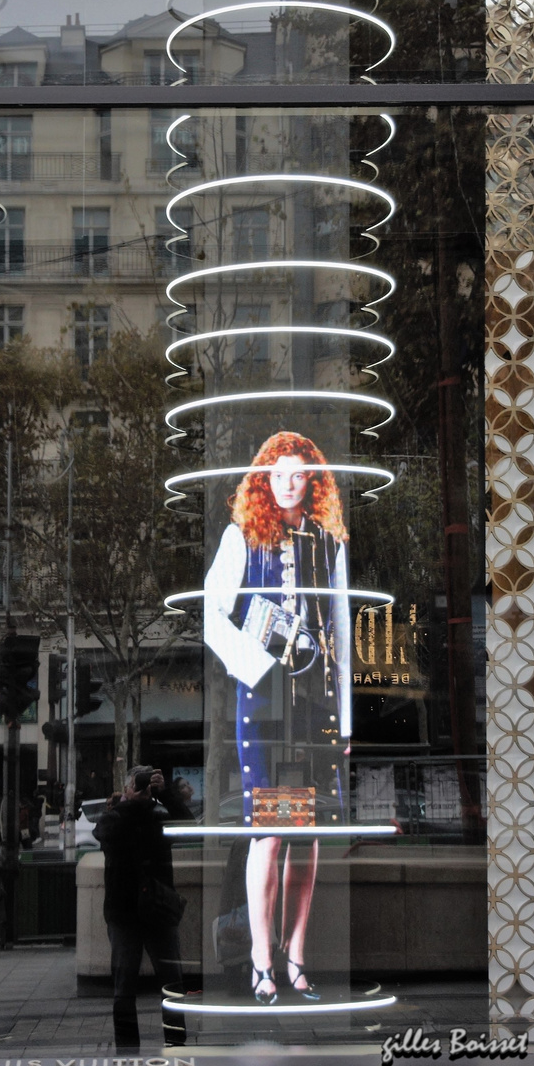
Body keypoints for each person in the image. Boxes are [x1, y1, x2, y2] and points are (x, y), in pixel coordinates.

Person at [204, 430, 350, 1005]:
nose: (289, 483)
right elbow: (213, 614)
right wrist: (253, 663)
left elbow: (339, 629)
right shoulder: (241, 535)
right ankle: (263, 963)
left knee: (305, 836)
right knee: (268, 832)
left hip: (314, 703)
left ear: (312, 478)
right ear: (263, 479)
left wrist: (346, 719)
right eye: (278, 473)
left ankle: (296, 958)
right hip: (263, 703)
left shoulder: (329, 542)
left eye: (299, 473)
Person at [93, 765, 188, 1054]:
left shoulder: (158, 815)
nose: (145, 787)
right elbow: (107, 834)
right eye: (140, 783)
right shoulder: (114, 816)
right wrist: (132, 802)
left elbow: (189, 826)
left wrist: (166, 794)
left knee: (172, 983)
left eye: (149, 783)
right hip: (124, 913)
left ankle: (175, 1045)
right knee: (124, 986)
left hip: (158, 910)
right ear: (127, 787)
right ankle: (127, 1052)